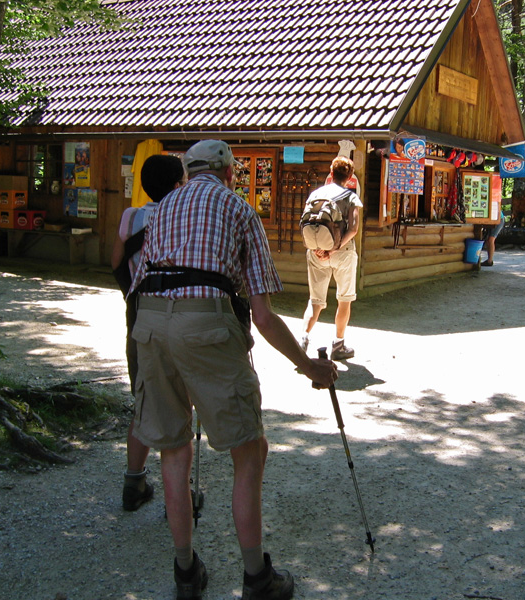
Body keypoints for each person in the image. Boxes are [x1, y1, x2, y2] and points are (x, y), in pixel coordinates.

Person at [127, 139, 337, 600]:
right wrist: (308, 367)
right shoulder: (238, 209)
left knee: (174, 451)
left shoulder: (160, 208)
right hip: (203, 320)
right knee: (249, 450)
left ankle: (186, 572)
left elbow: (142, 276)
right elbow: (261, 314)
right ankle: (257, 577)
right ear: (229, 174)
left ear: (188, 172)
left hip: (149, 320)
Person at [110, 154, 186, 511]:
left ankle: (134, 482)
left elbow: (115, 262)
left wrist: (132, 295)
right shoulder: (185, 216)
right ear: (177, 184)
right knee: (177, 402)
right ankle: (180, 493)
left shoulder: (131, 215)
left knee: (143, 398)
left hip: (138, 313)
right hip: (177, 315)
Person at [298, 156, 363, 360]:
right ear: (350, 176)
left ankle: (302, 340)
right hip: (341, 252)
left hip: (315, 251)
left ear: (331, 172)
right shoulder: (350, 196)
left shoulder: (315, 194)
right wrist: (334, 249)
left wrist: (321, 249)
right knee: (344, 300)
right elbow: (353, 229)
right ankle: (338, 345)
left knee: (315, 301)